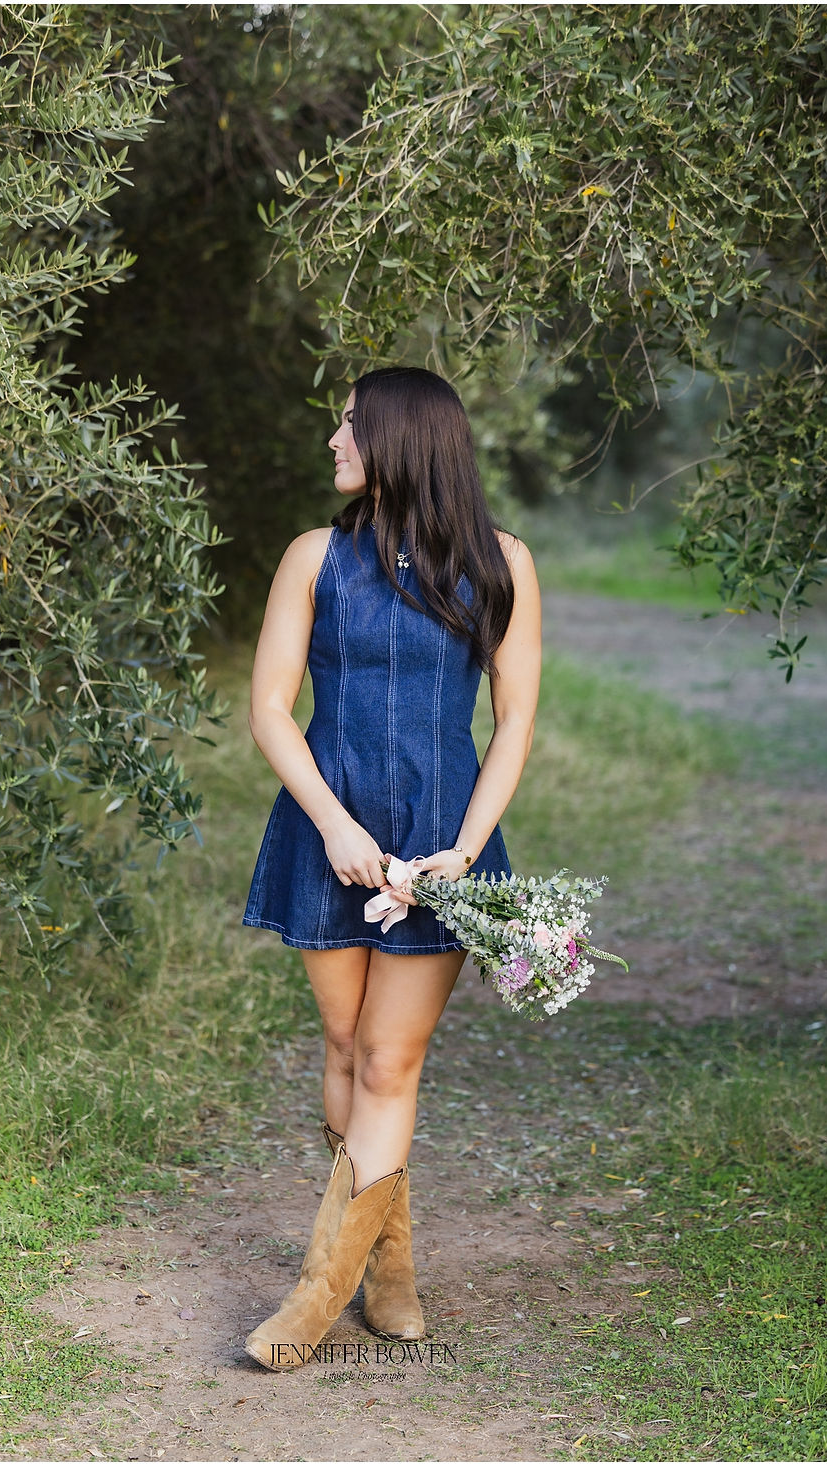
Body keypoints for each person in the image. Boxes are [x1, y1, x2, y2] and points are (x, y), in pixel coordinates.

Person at [241, 365, 541, 1371]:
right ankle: (391, 1266)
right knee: (339, 1043)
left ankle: (314, 1297)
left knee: (386, 1059)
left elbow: (512, 725)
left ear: (400, 441)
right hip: (328, 829)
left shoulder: (502, 563)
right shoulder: (311, 558)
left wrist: (460, 848)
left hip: (441, 843)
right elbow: (270, 709)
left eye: (348, 425)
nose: (332, 440)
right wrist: (329, 823)